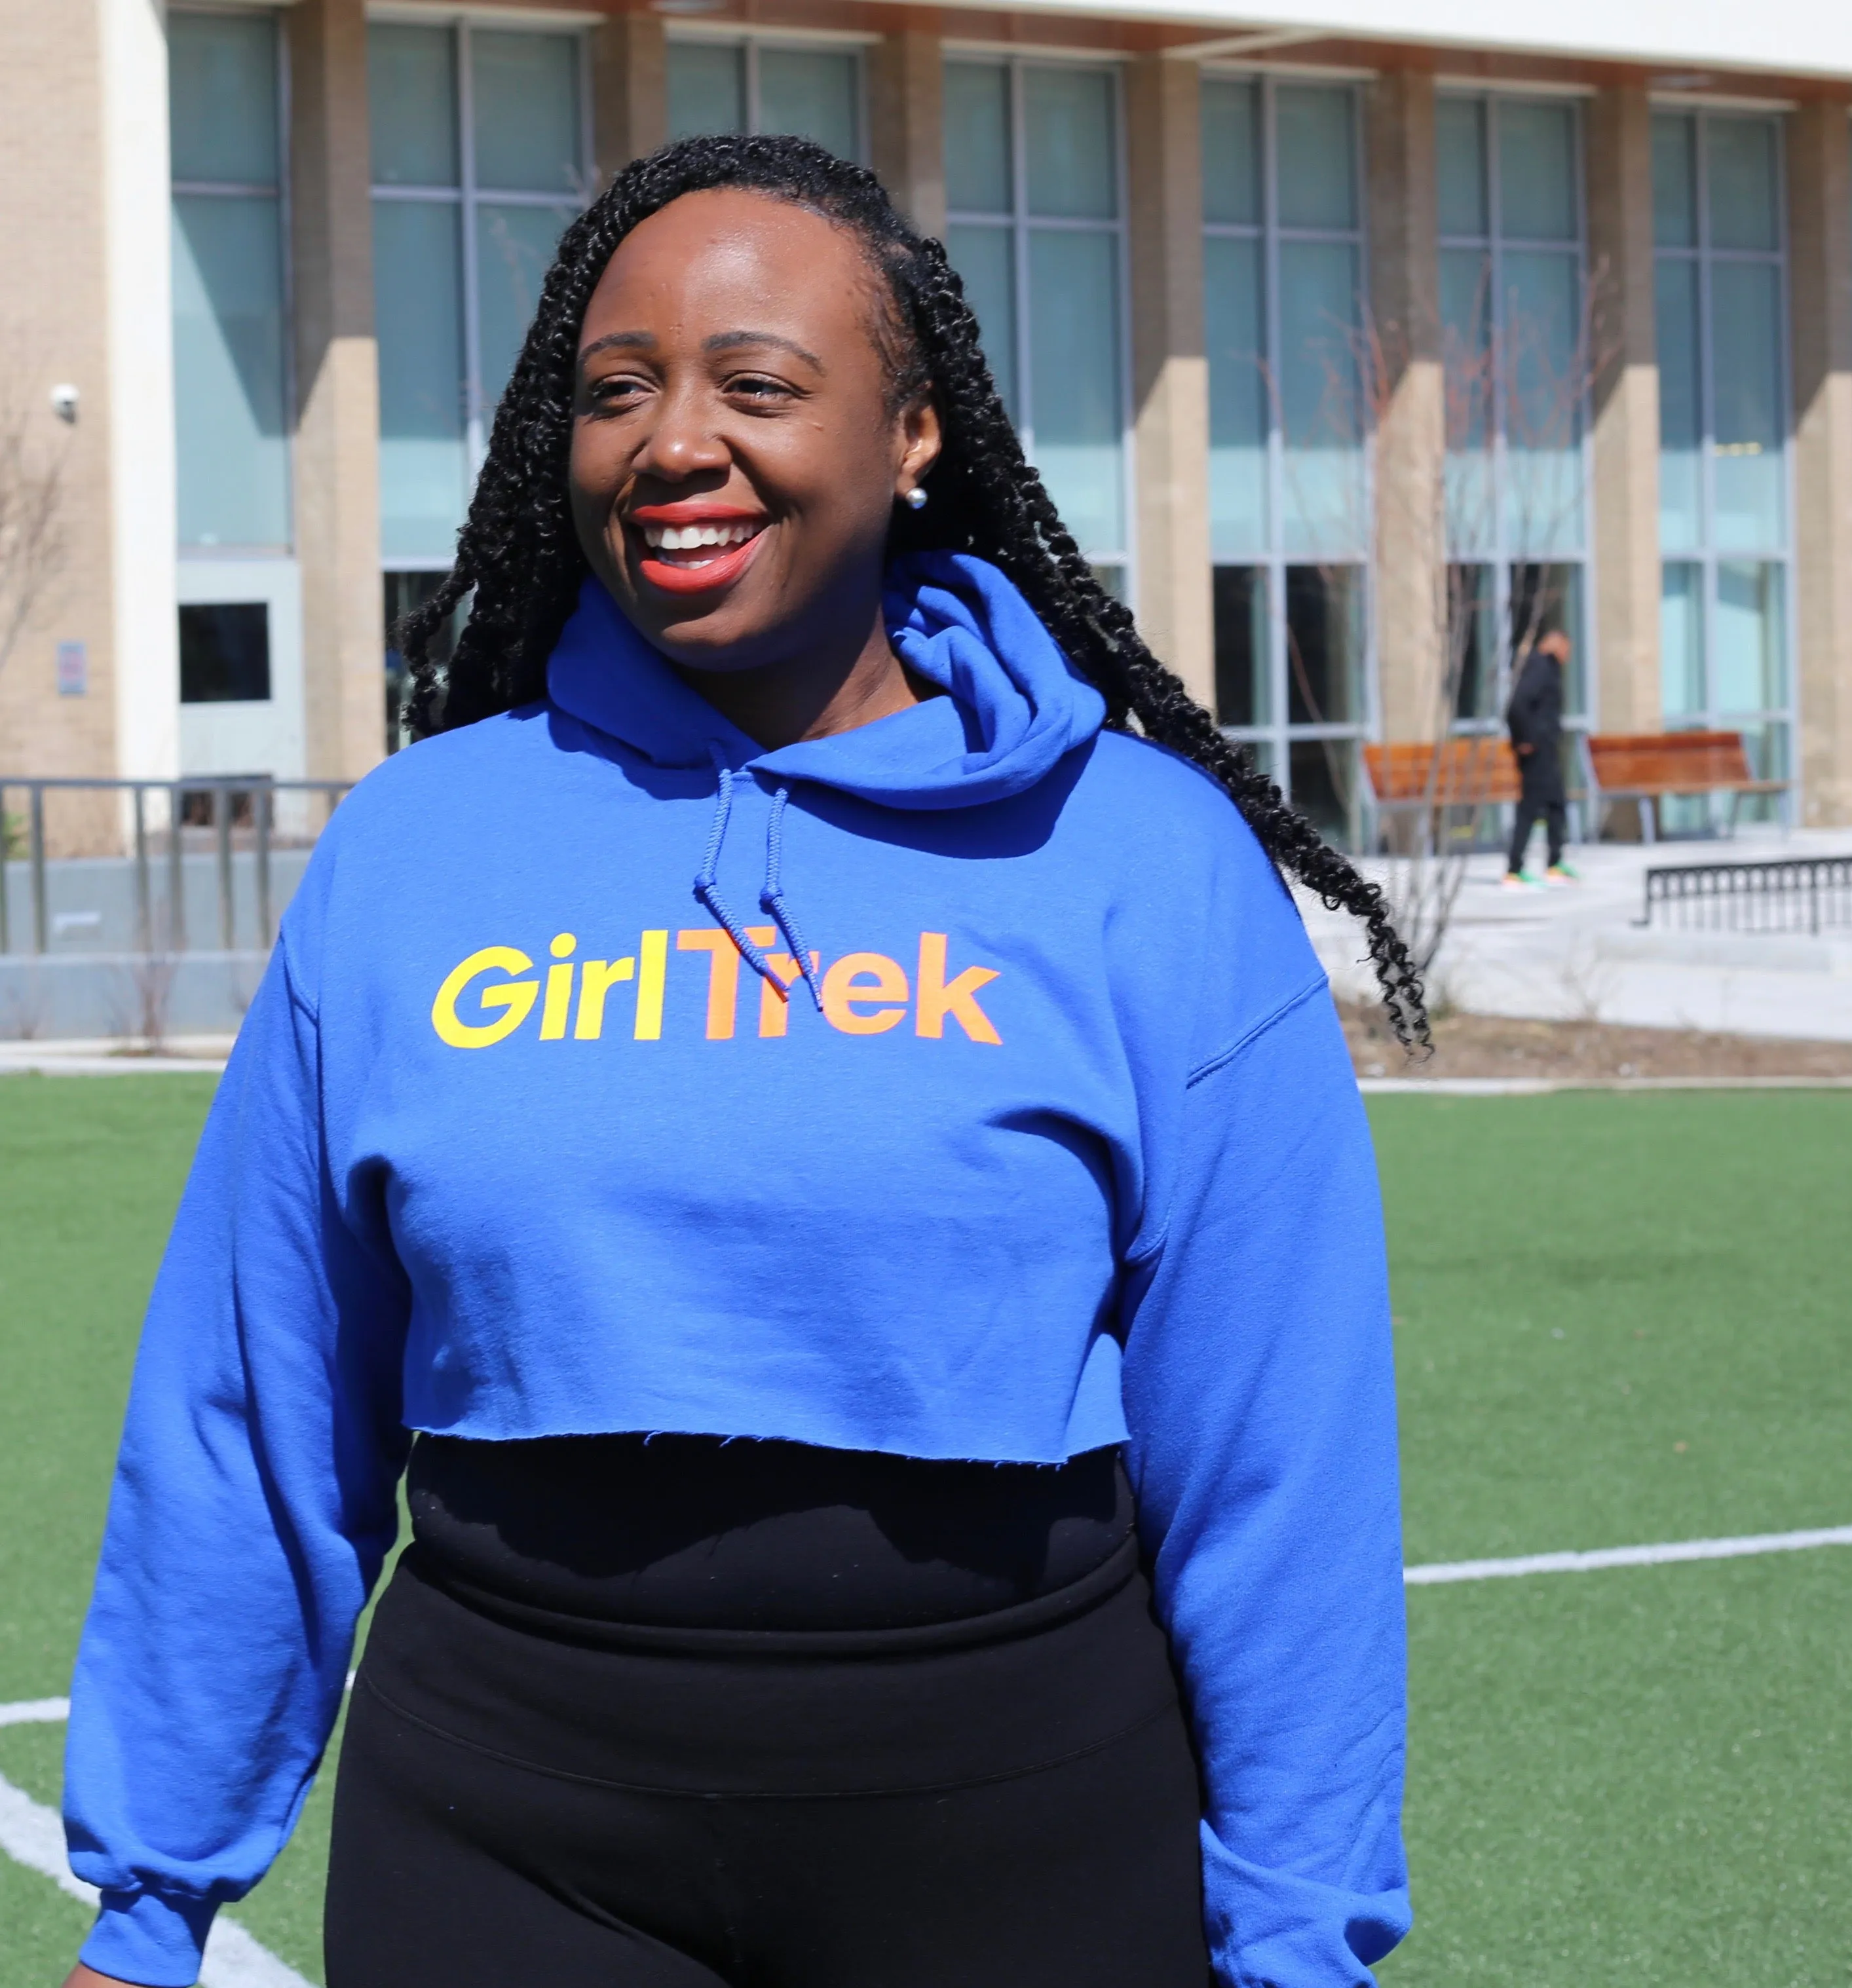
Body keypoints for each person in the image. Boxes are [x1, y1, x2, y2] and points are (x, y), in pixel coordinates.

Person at [58, 138, 1418, 1988]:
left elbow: (1281, 1440)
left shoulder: (1142, 858)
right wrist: (148, 1907)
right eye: (614, 390)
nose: (672, 441)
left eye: (755, 384)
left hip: (1015, 1816)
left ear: (914, 432)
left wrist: (1302, 1935)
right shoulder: (416, 848)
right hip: (506, 1827)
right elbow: (253, 1406)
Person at [1503, 627, 1578, 887]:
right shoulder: (1539, 667)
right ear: (1556, 644)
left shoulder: (1547, 668)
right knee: (1530, 808)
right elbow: (1516, 705)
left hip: (1545, 747)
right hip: (1536, 750)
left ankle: (1555, 862)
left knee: (1557, 803)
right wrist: (1525, 740)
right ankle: (1514, 868)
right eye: (1567, 648)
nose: (1569, 655)